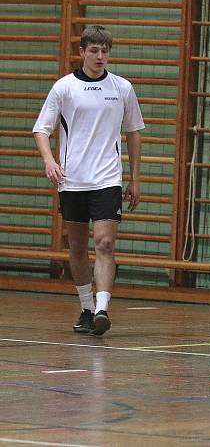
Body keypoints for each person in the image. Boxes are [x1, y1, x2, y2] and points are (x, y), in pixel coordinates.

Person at [32, 25, 145, 336]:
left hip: (108, 178)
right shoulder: (64, 88)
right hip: (72, 180)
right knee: (78, 246)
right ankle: (86, 305)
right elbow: (42, 129)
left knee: (105, 243)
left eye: (104, 50)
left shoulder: (122, 88)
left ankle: (103, 309)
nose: (100, 56)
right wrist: (49, 160)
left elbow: (134, 132)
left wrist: (134, 178)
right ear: (82, 52)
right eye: (94, 50)